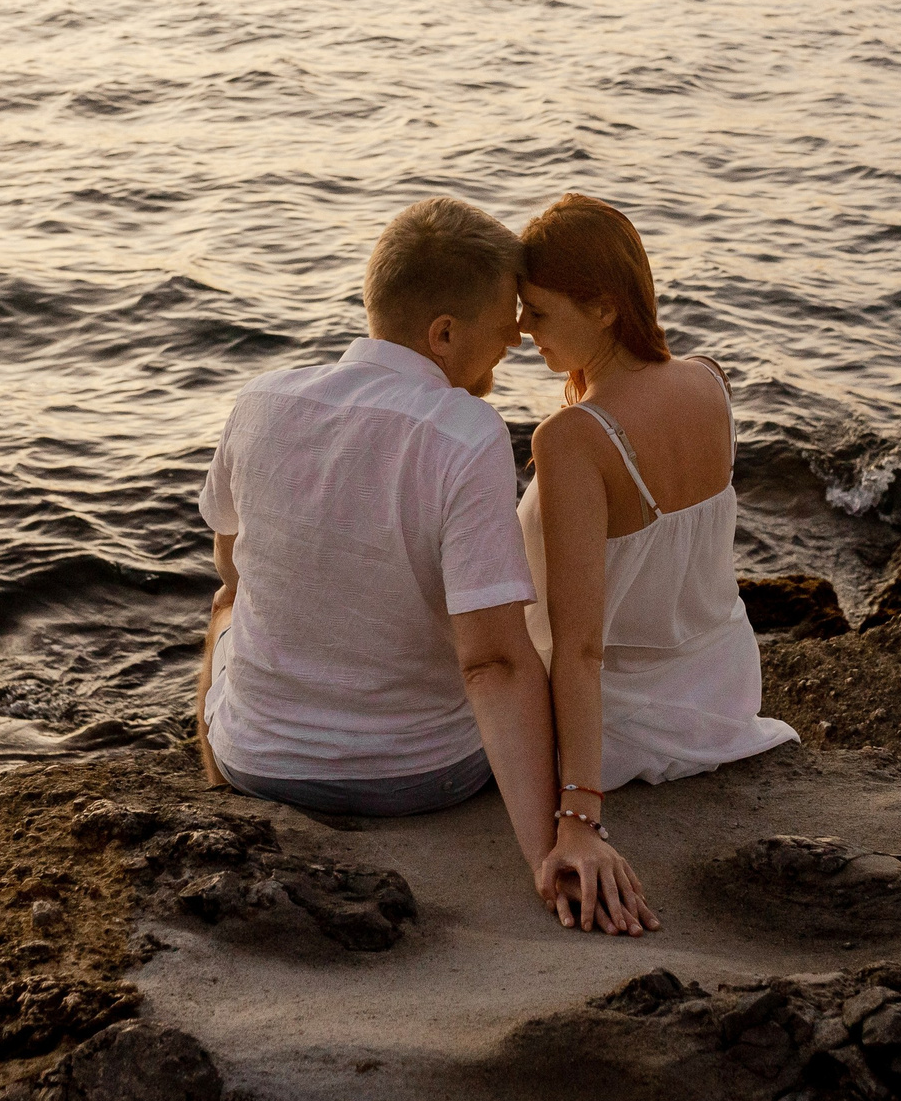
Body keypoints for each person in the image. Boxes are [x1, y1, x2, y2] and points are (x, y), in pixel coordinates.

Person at [193, 196, 650, 929]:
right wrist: (551, 850)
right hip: (421, 774)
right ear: (443, 333)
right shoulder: (463, 430)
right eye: (501, 335)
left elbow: (232, 569)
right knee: (525, 633)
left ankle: (214, 773)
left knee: (225, 610)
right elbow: (492, 664)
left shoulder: (259, 402)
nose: (509, 350)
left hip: (260, 764)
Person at [519, 193, 798, 931]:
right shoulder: (709, 380)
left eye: (538, 312)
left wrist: (579, 816)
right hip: (722, 686)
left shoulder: (572, 438)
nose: (521, 331)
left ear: (604, 308)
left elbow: (579, 645)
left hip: (624, 720)